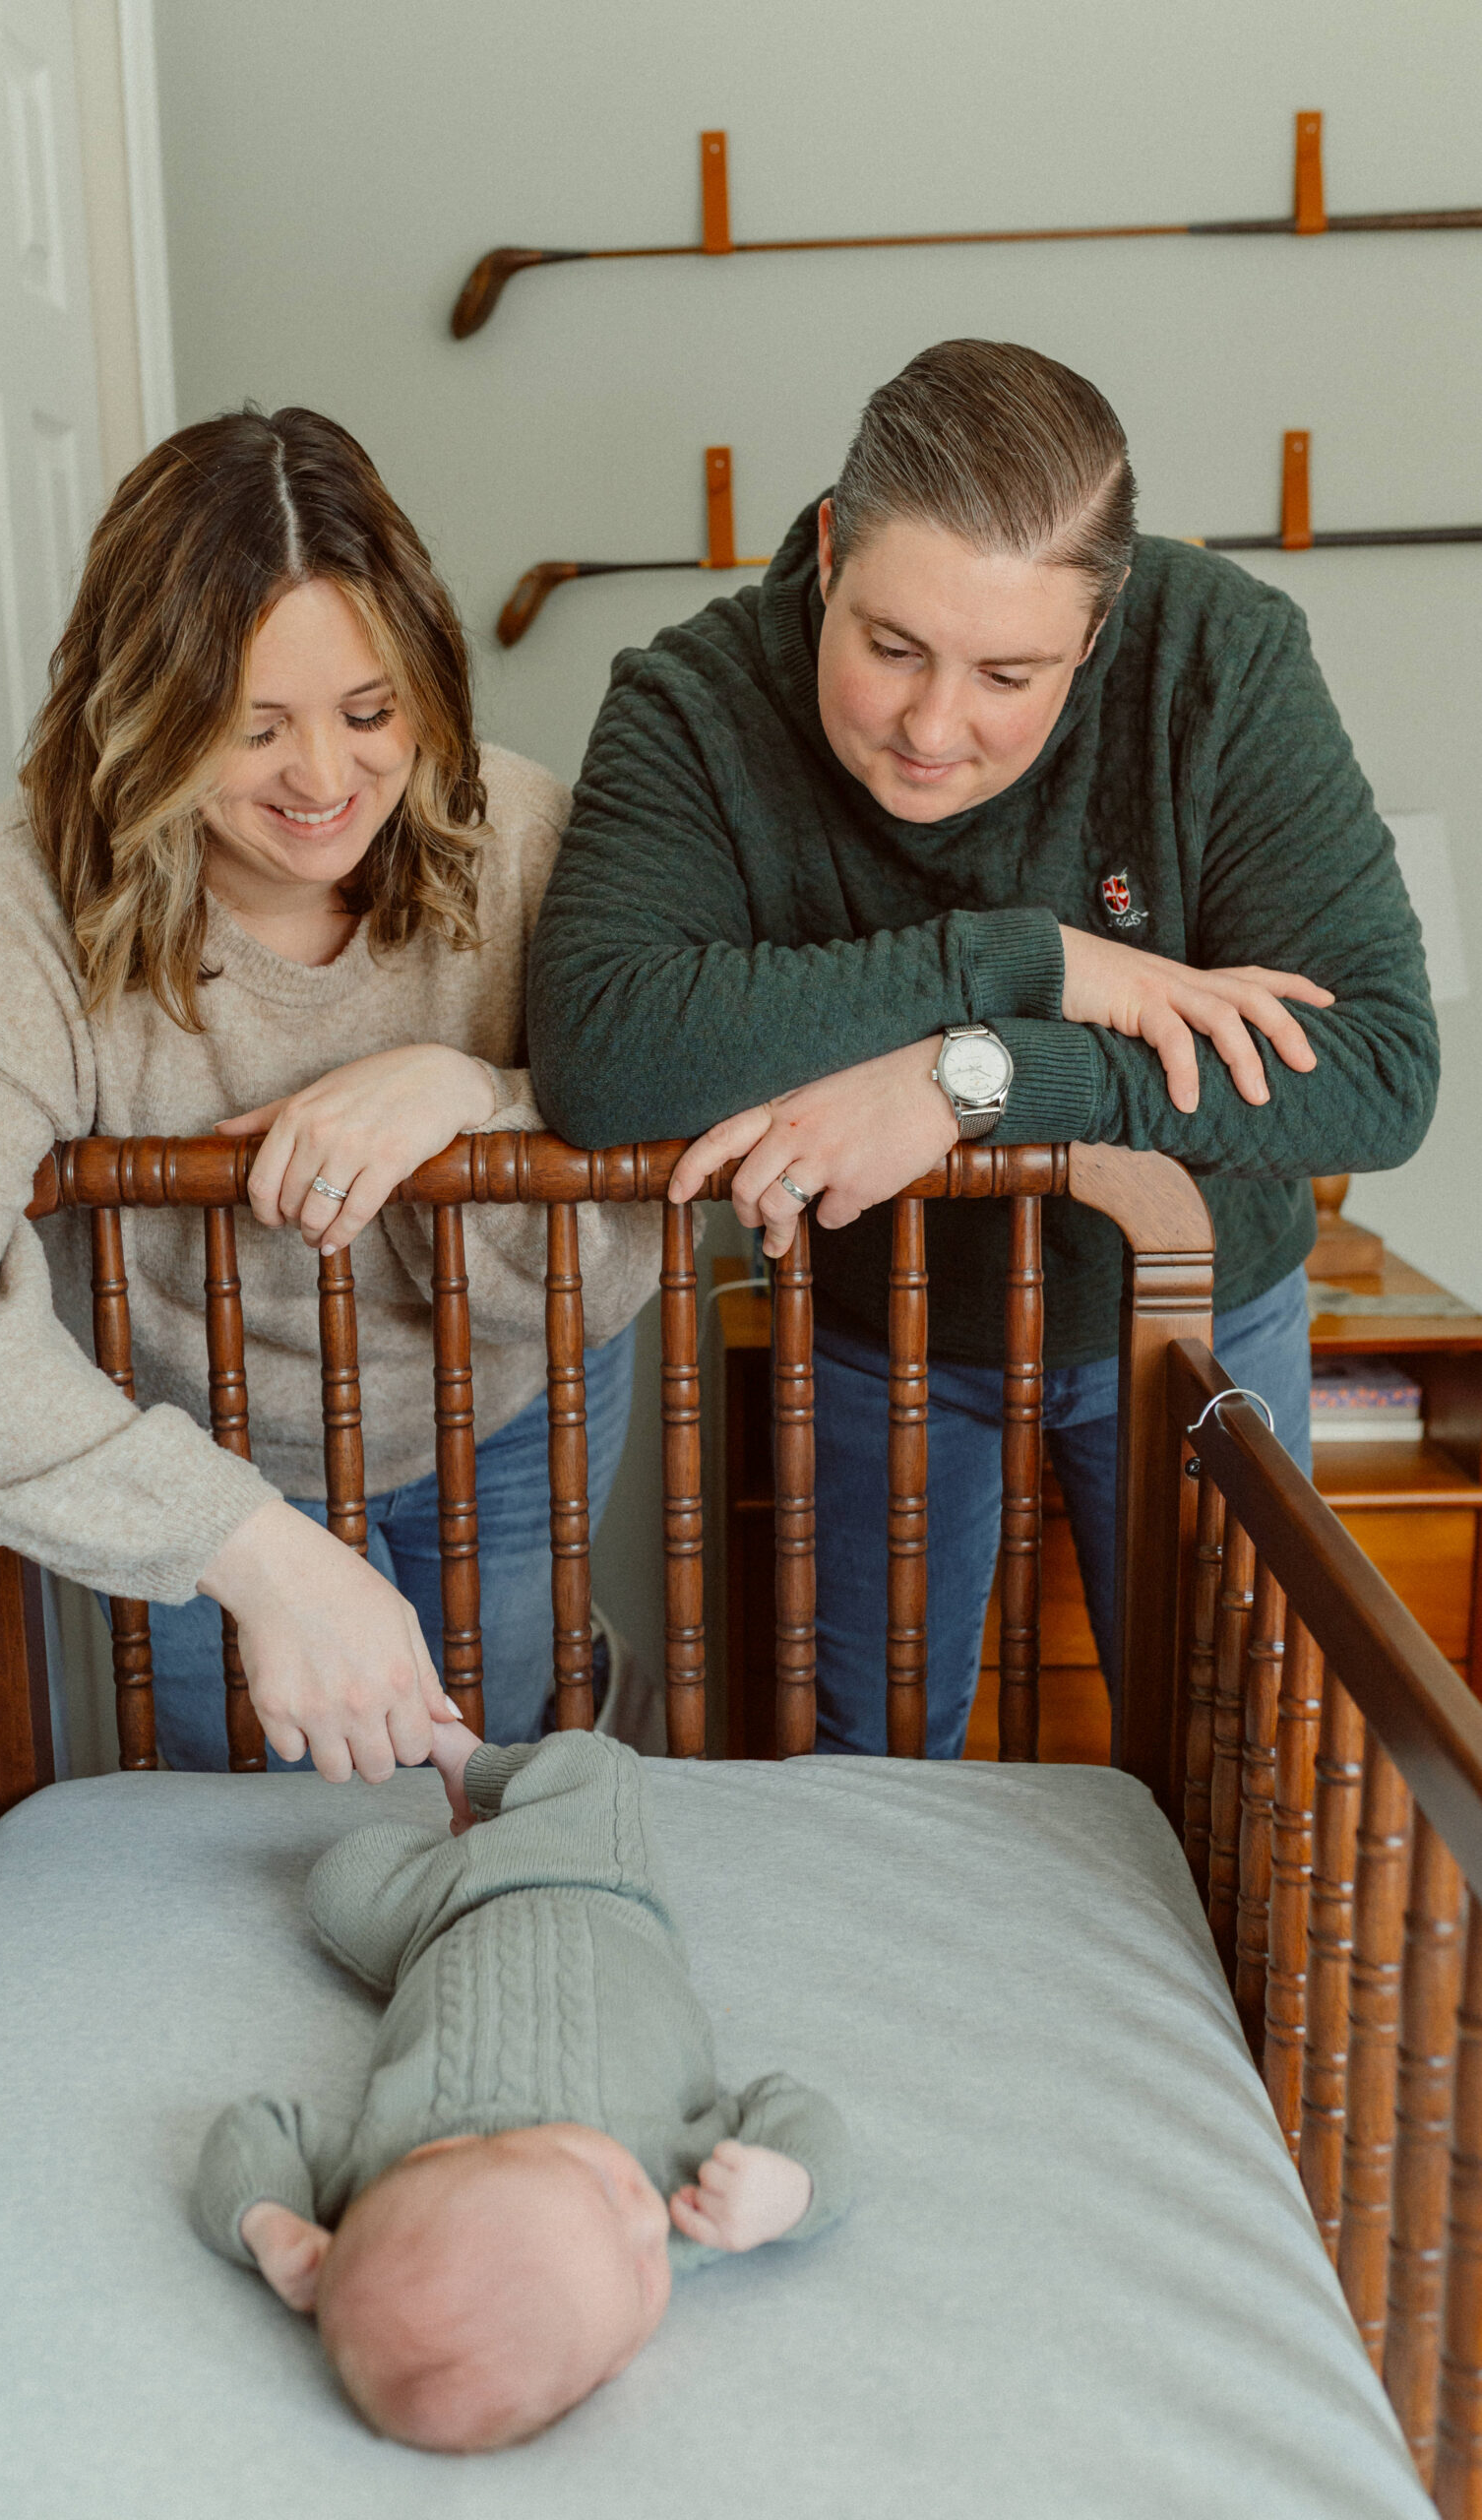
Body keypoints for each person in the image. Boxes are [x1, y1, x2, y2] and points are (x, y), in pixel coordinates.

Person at [525, 340, 1438, 1759]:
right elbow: (601, 1052)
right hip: (869, 1328)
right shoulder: (692, 700)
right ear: (827, 551)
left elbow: (1376, 1072)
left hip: (1191, 1307)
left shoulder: (1220, 657)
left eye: (1006, 672)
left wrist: (974, 1082)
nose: (929, 728)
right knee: (866, 1766)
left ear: (1099, 630)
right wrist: (1020, 963)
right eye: (889, 647)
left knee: (1228, 1760)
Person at [0, 408, 660, 1774]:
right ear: (144, 710)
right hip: (200, 1446)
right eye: (252, 728)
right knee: (254, 1827)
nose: (323, 780)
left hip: (511, 1392)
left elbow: (674, 1092)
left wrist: (464, 1090)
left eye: (369, 713)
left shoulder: (524, 837)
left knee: (506, 1753)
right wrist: (243, 1546)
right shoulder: (20, 901)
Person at [196, 1727, 850, 2451]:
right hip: (598, 1882)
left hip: (434, 1921)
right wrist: (787, 2188)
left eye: (604, 2190)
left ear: (432, 2153)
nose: (642, 2219)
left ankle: (463, 1764)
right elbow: (795, 2110)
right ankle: (487, 1786)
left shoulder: (372, 2183)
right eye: (639, 2281)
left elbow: (254, 2132)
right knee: (599, 1766)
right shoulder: (683, 2207)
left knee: (341, 1880)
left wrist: (271, 2227)